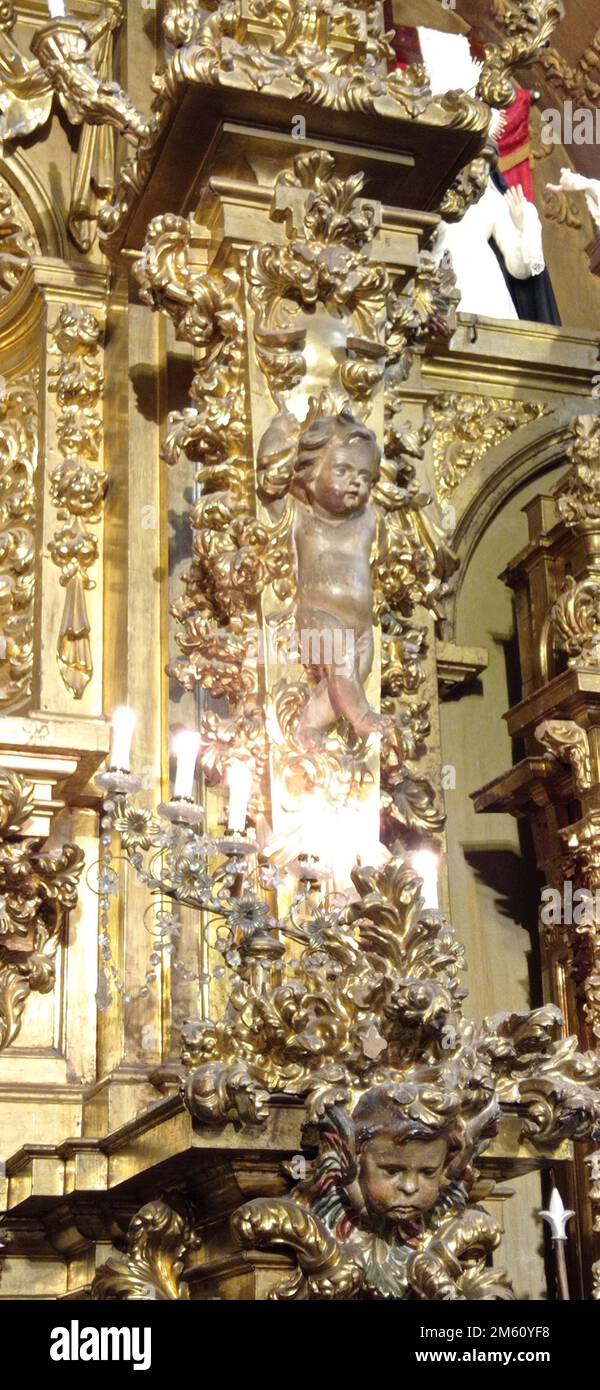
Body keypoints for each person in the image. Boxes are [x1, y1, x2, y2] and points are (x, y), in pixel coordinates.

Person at [257, 409, 390, 750]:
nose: (356, 481)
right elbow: (269, 483)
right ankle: (362, 717)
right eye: (343, 470)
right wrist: (276, 431)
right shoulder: (300, 518)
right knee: (341, 659)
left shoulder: (368, 520)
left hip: (361, 626)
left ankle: (309, 727)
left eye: (364, 475)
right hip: (314, 620)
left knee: (348, 677)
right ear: (311, 476)